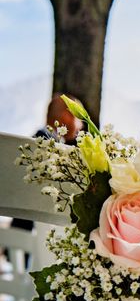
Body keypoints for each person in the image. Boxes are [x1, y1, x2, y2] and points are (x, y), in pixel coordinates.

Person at [9, 93, 84, 234]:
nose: (81, 125)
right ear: (67, 116)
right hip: (37, 235)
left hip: (17, 232)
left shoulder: (30, 143)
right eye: (79, 118)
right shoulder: (52, 148)